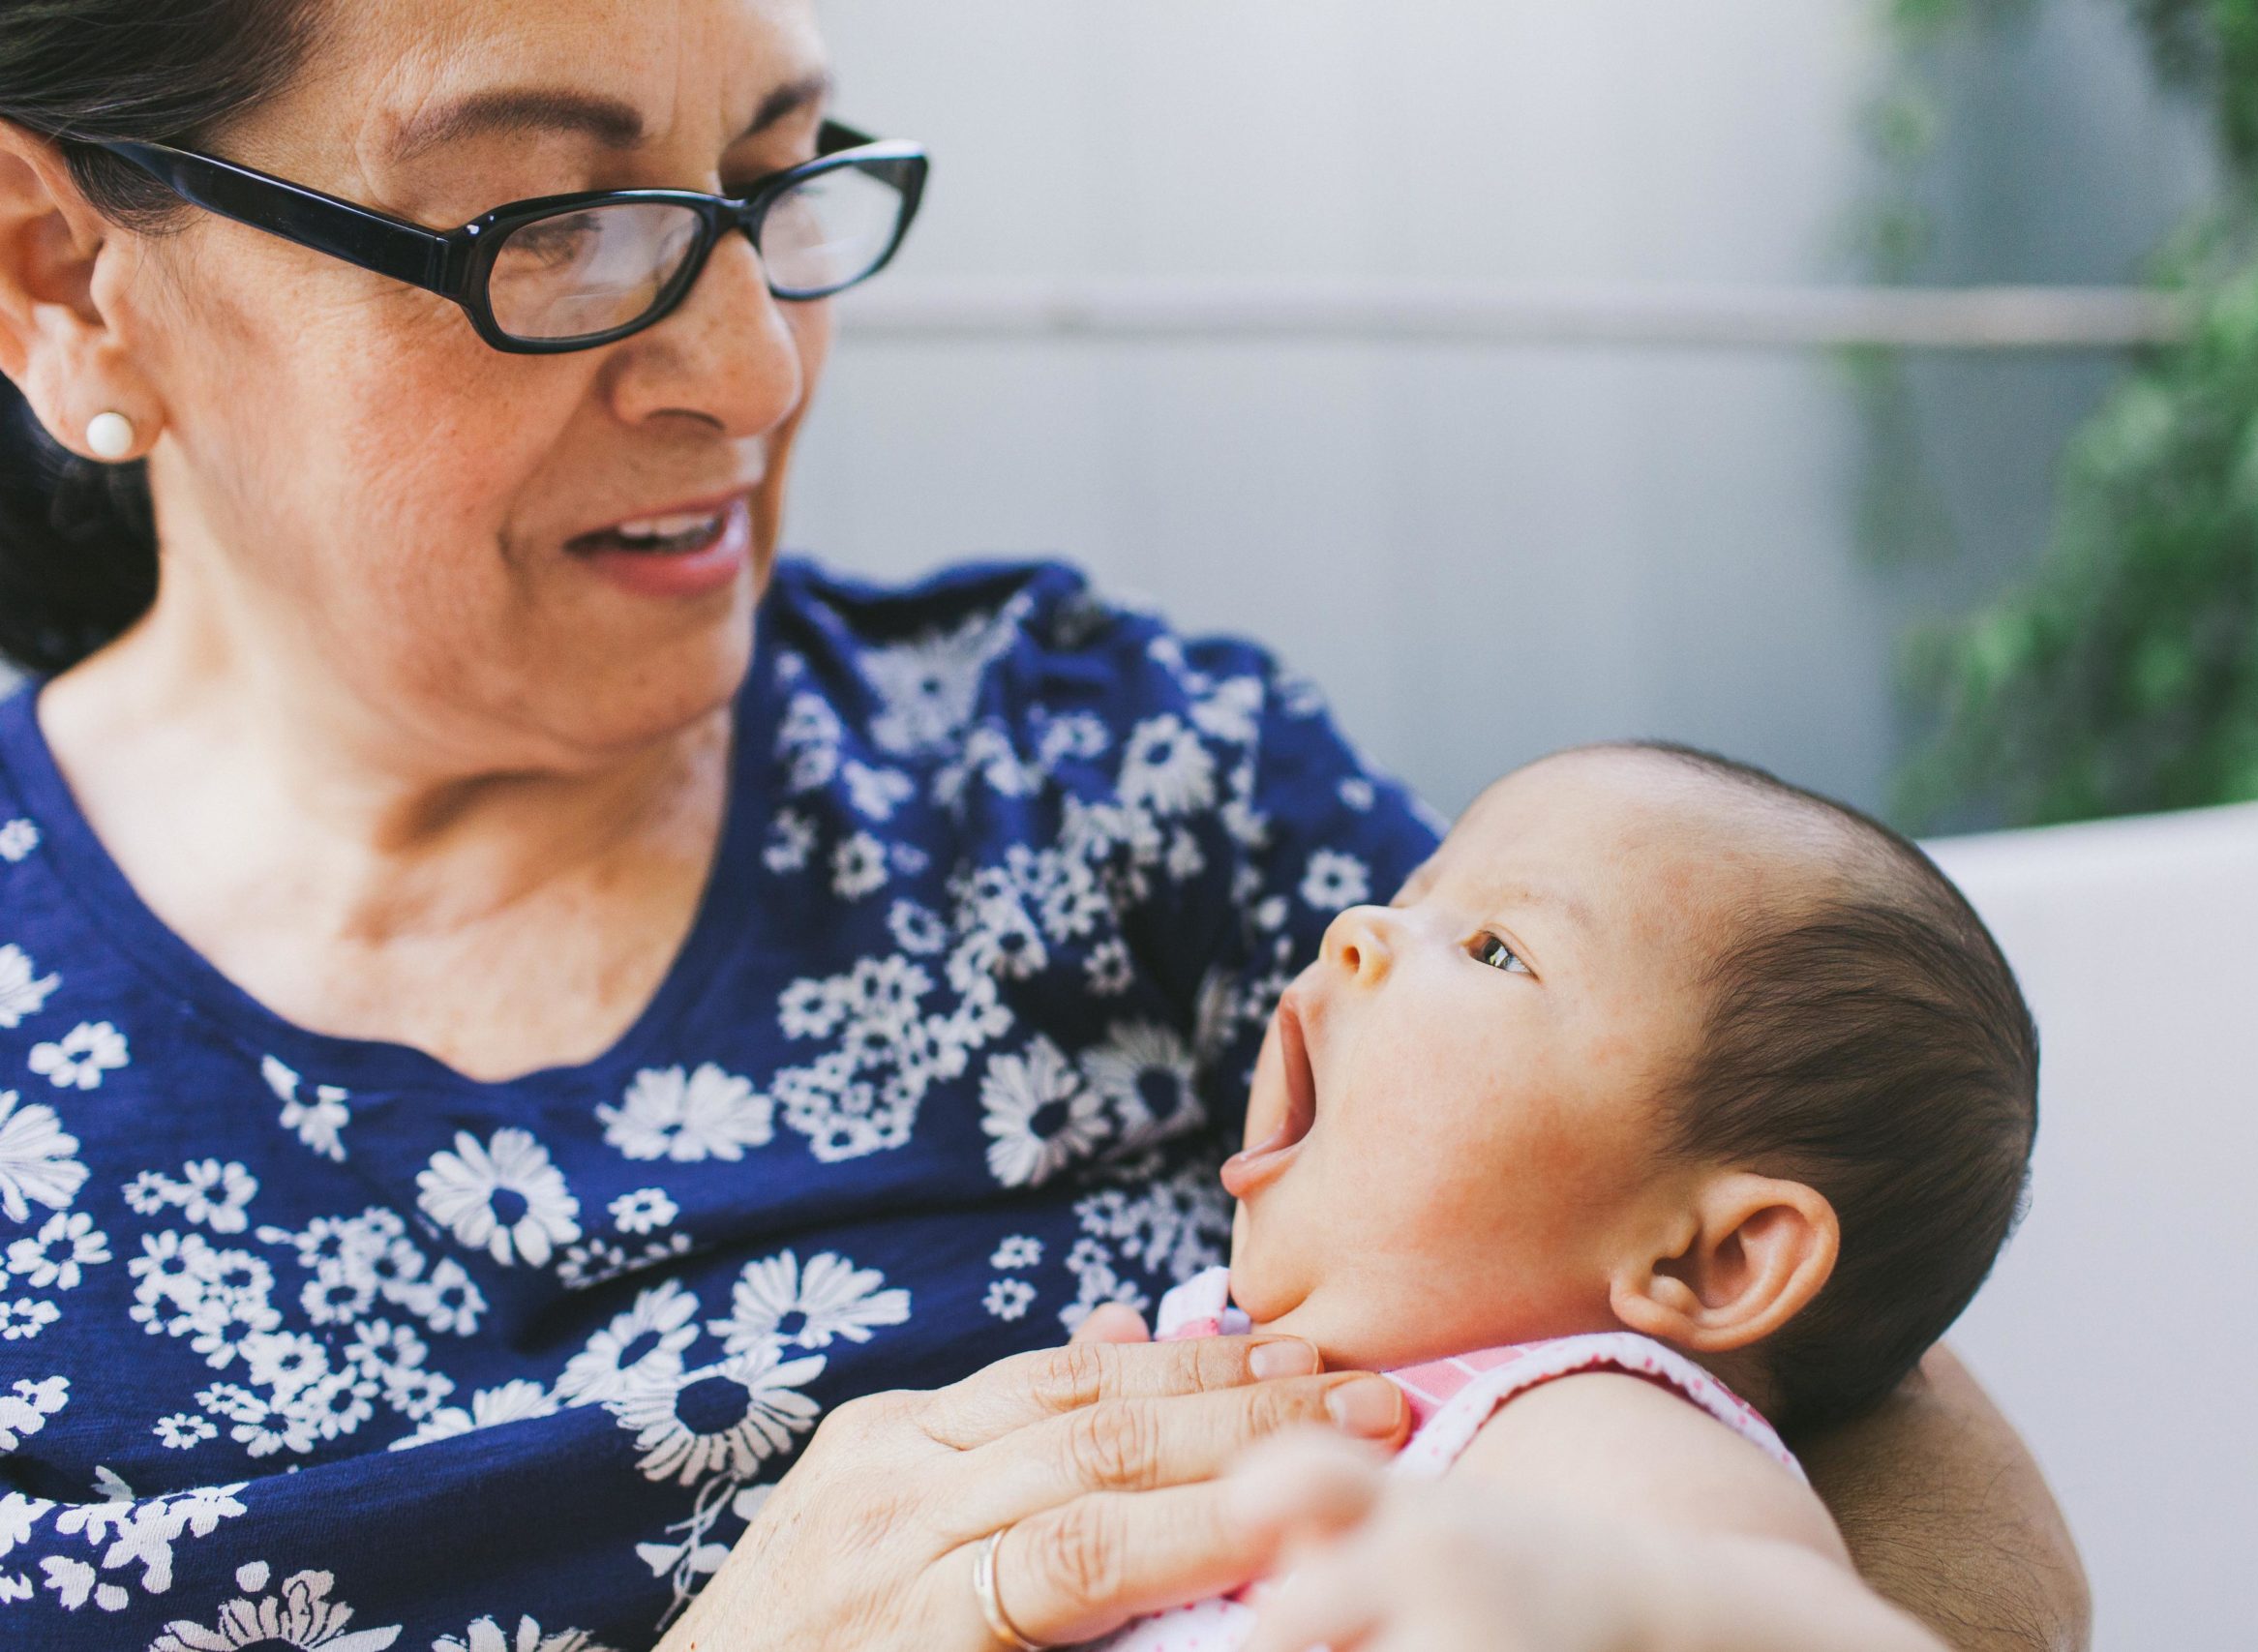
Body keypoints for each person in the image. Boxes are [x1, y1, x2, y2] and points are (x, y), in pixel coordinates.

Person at [0, 3, 2089, 1649]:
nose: (747, 370)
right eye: (552, 223)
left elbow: (1837, 1399)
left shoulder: (1115, 781)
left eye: (775, 184)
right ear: (67, 272)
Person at [1091, 740, 2035, 1652]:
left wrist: (1619, 1604)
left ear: (1716, 1259)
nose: (1355, 930)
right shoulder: (1204, 1353)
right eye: (1408, 897)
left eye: (1494, 950)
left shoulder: (1580, 1425)